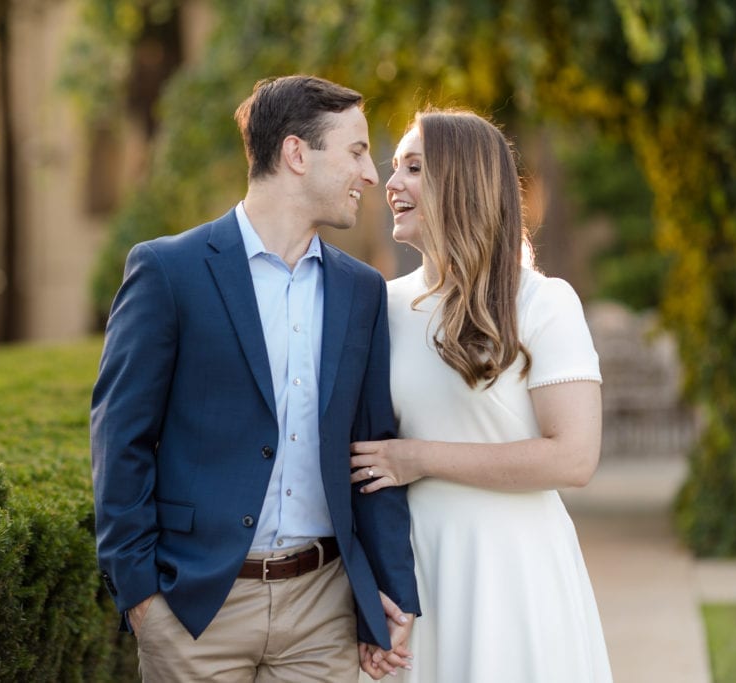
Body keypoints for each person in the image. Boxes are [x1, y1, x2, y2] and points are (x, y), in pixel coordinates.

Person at [91, 75, 420, 682]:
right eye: (354, 152)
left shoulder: (362, 290)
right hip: (195, 609)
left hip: (323, 609)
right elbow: (121, 438)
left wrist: (392, 590)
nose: (371, 175)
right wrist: (141, 599)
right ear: (297, 154)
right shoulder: (169, 270)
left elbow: (371, 453)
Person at [352, 108, 613, 682]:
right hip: (416, 571)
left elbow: (573, 457)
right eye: (394, 167)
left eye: (414, 167)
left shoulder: (543, 302)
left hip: (515, 568)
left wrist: (417, 457)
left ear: (464, 180)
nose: (391, 184)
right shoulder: (381, 306)